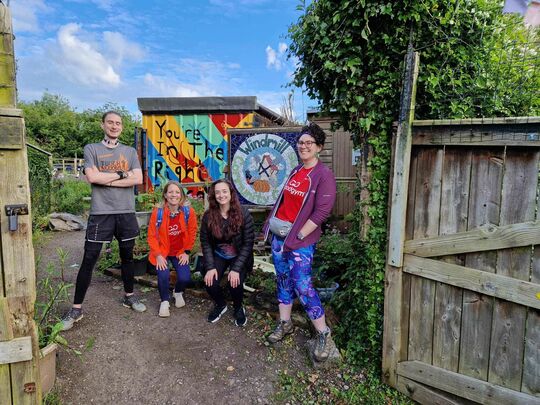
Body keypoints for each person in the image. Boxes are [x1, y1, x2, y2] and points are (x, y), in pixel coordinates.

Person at [61, 111, 146, 331]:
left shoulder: (128, 151)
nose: (114, 126)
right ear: (103, 125)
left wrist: (107, 179)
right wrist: (120, 175)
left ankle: (129, 296)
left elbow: (138, 179)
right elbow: (92, 177)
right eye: (110, 122)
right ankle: (76, 309)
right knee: (89, 259)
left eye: (118, 123)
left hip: (126, 212)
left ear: (122, 127)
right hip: (101, 213)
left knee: (127, 257)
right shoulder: (92, 149)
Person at [264, 122, 336, 362]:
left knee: (302, 284)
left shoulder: (323, 175)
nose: (304, 146)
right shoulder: (296, 170)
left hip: (300, 241)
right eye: (301, 142)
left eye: (309, 143)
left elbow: (321, 213)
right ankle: (285, 324)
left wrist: (300, 236)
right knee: (283, 279)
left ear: (319, 147)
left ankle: (323, 332)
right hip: (280, 237)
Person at [200, 179, 254, 326]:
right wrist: (210, 267)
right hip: (220, 254)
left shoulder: (243, 214)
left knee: (234, 282)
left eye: (224, 191)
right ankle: (221, 304)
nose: (221, 195)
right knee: (210, 282)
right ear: (213, 195)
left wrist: (236, 269)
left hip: (239, 255)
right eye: (217, 192)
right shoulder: (208, 216)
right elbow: (205, 242)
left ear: (231, 193)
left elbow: (248, 244)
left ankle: (238, 307)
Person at [147, 181, 197, 317]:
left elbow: (192, 232)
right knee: (163, 275)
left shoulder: (188, 212)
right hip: (162, 251)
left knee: (185, 277)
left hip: (179, 251)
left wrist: (187, 252)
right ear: (165, 195)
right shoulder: (158, 212)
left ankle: (178, 292)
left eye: (177, 192)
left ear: (181, 195)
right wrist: (157, 255)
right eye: (170, 192)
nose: (173, 195)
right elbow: (151, 235)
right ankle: (164, 301)